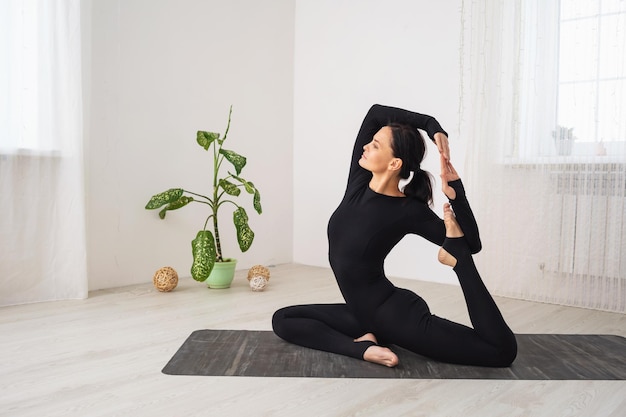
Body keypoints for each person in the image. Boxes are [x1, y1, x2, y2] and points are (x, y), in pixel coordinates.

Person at [272, 104, 517, 368]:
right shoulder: (358, 182)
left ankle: (459, 263)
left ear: (394, 163)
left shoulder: (408, 210)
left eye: (376, 145)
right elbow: (376, 112)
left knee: (501, 352)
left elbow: (473, 244)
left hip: (395, 316)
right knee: (283, 319)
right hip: (362, 313)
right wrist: (432, 125)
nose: (366, 146)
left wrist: (456, 191)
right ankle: (366, 347)